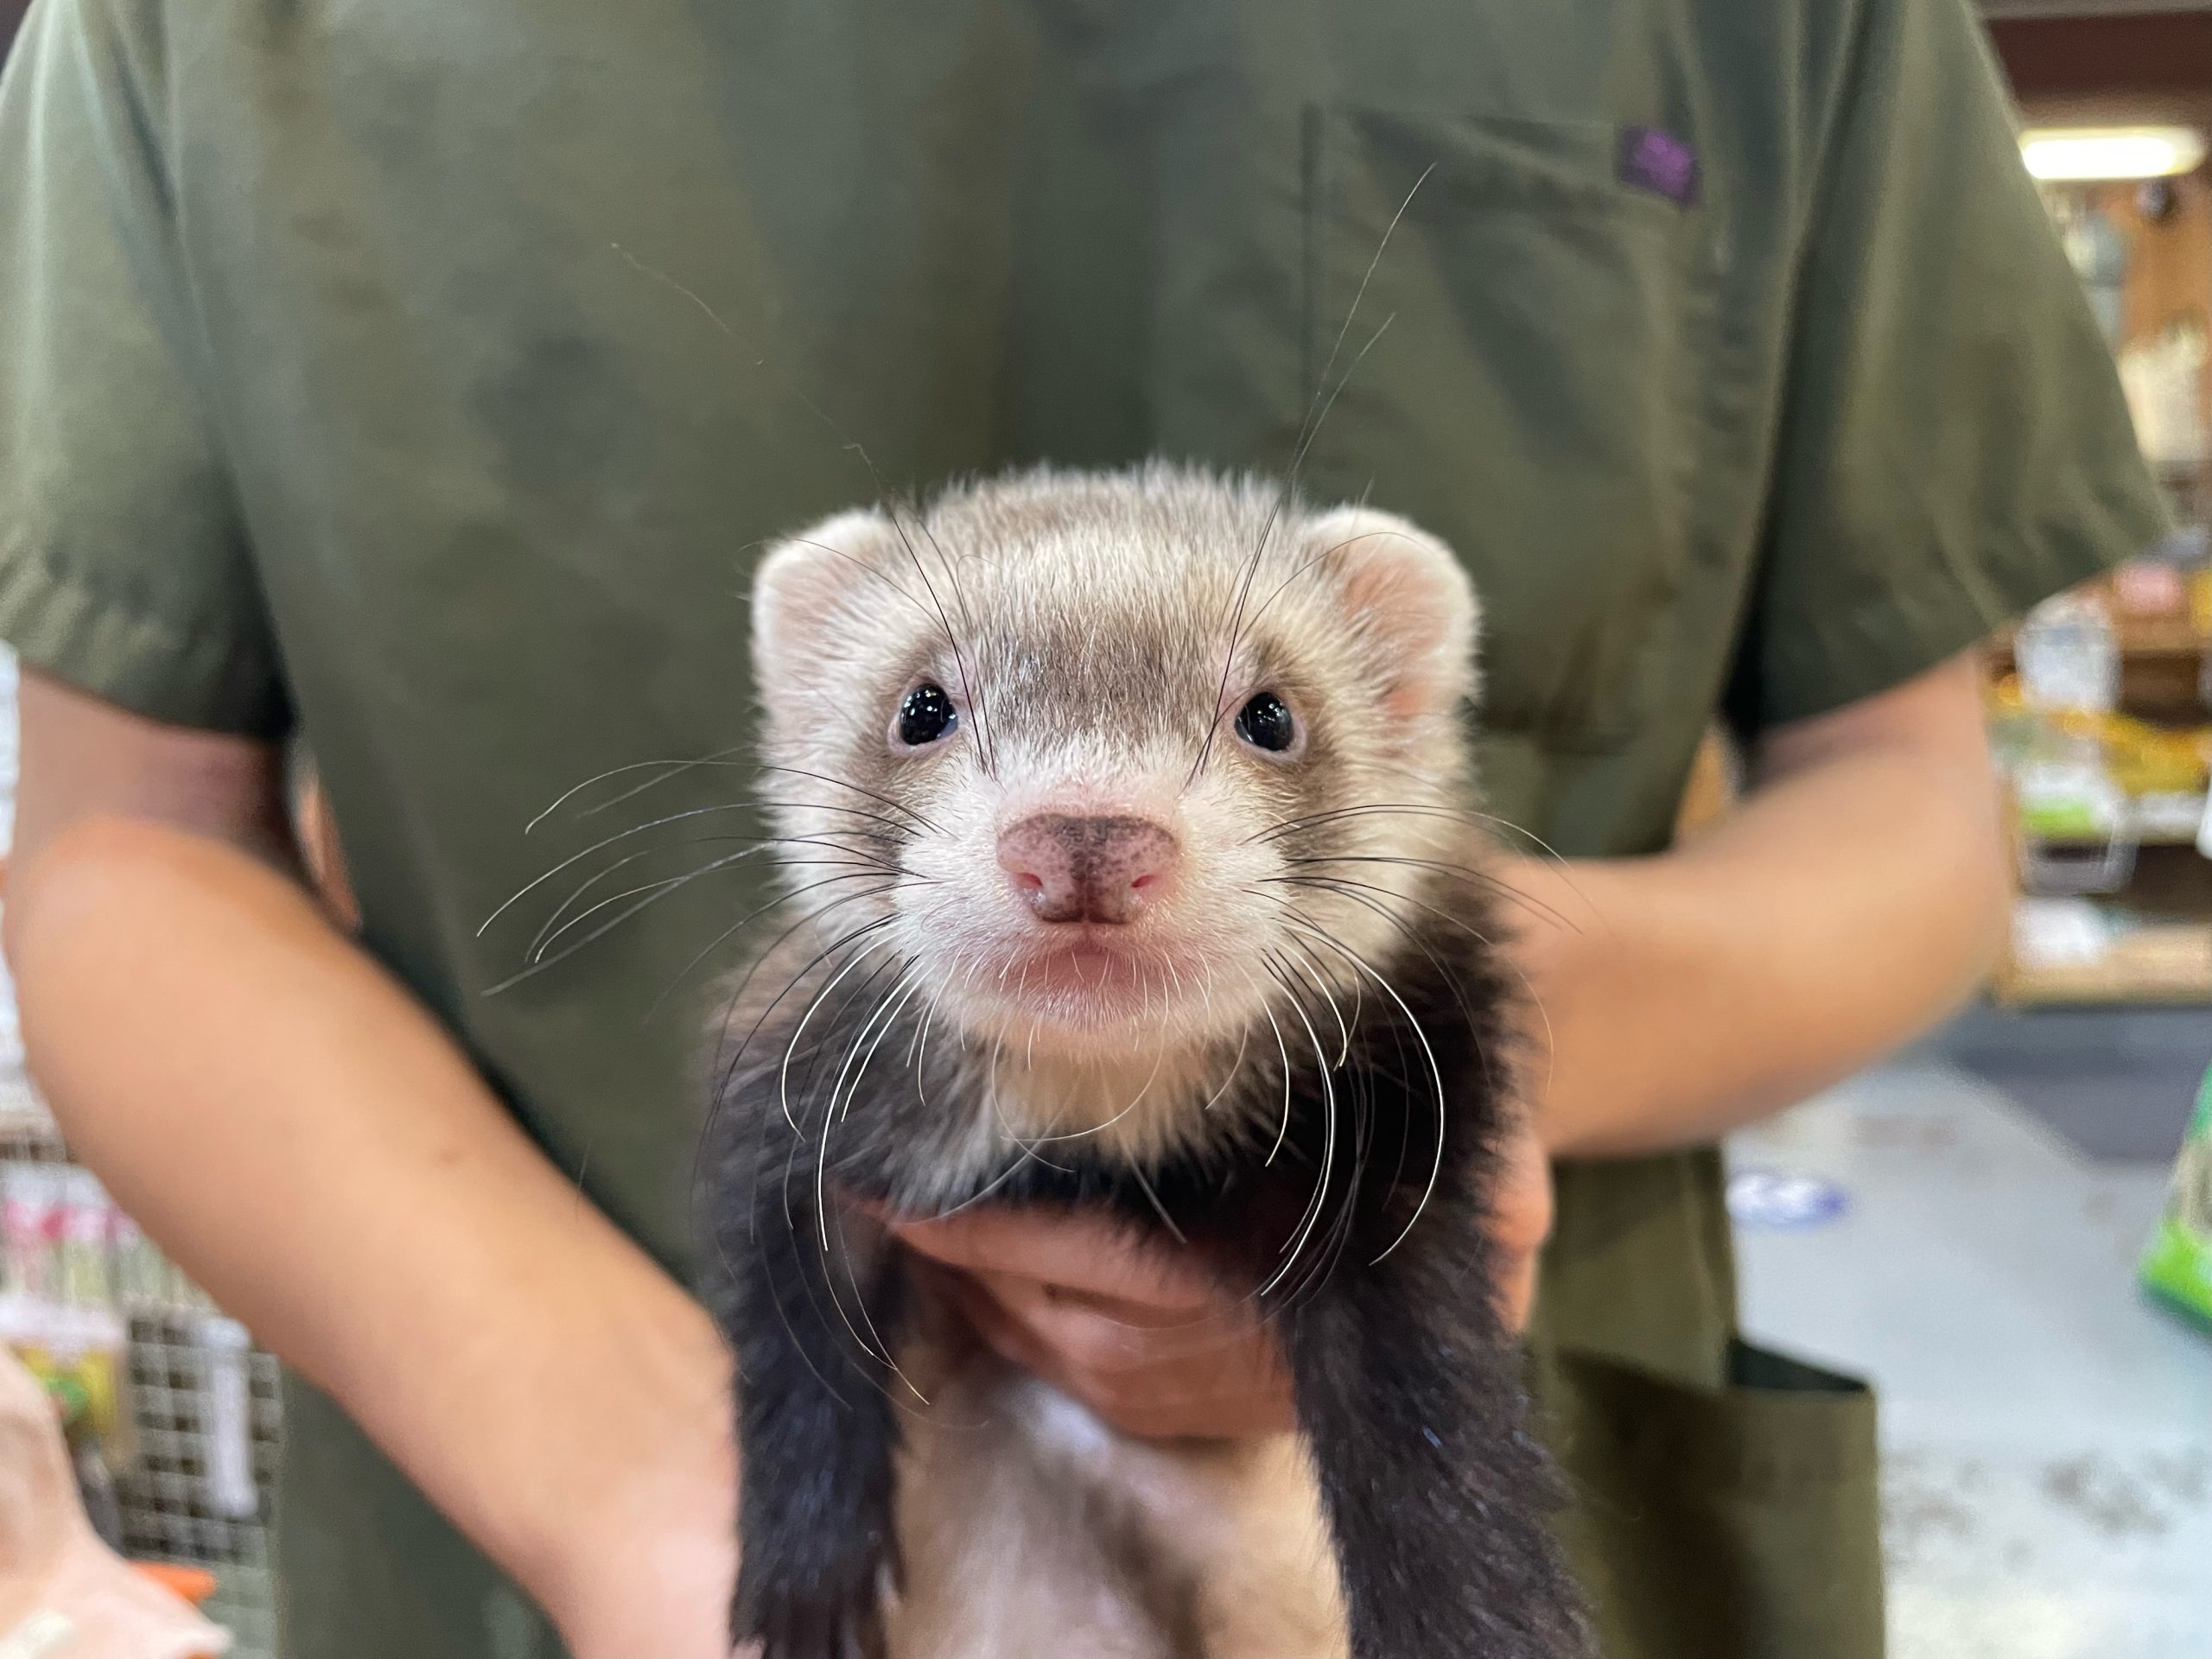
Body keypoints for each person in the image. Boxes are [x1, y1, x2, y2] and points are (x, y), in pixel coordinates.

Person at [0, 0, 2165, 1656]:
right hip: (568, 1535)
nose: (1083, 829)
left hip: (1495, 1459)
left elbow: (1912, 799)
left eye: (1258, 728)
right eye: (931, 722)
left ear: (1391, 695)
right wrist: (685, 1521)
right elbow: (127, 845)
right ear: (814, 704)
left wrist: (1442, 1082)